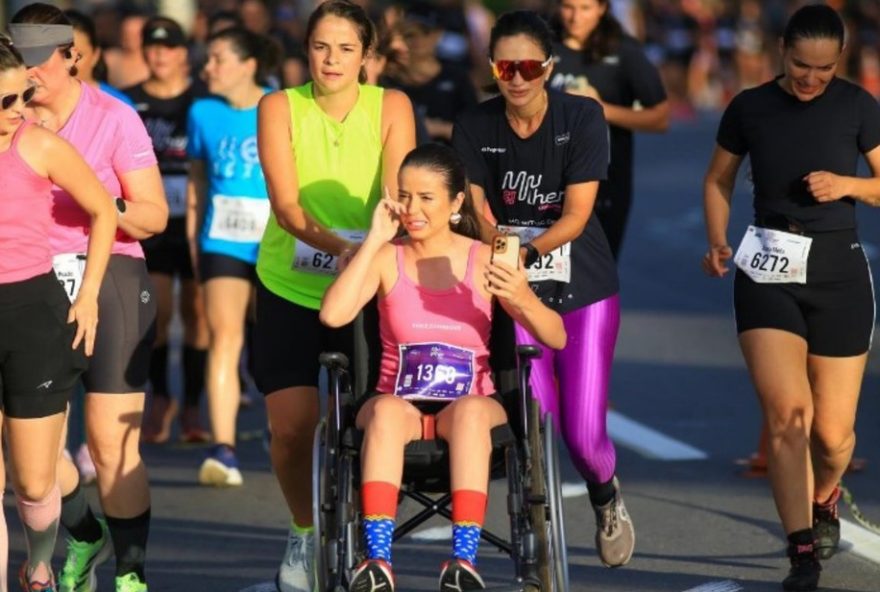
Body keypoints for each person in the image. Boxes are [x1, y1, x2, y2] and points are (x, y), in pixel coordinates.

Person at [320, 143, 566, 590]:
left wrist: (522, 296)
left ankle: (463, 562)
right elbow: (334, 315)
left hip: (471, 402)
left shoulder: (486, 257)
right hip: (398, 401)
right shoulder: (385, 256)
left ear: (456, 203)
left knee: (472, 412)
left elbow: (556, 336)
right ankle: (376, 562)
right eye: (404, 195)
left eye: (426, 198)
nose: (412, 209)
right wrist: (374, 238)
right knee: (388, 411)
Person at [701, 5, 880, 591]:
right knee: (787, 417)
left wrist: (848, 184)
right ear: (782, 51)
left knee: (832, 436)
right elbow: (718, 179)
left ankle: (825, 495)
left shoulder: (857, 105)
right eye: (802, 66)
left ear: (840, 62)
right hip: (767, 270)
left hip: (839, 276)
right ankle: (802, 551)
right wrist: (717, 240)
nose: (811, 79)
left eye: (824, 69)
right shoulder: (750, 106)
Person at [452, 9, 635, 569]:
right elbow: (476, 208)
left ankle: (606, 497)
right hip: (510, 285)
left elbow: (578, 215)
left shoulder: (581, 117)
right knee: (536, 423)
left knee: (581, 434)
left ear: (548, 67)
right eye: (506, 65)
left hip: (582, 285)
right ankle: (537, 534)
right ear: (492, 67)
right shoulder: (475, 126)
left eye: (529, 65)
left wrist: (524, 250)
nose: (517, 76)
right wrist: (496, 241)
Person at [254, 1, 415, 589]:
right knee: (293, 425)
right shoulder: (278, 106)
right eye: (322, 46)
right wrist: (339, 248)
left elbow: (399, 193)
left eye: (347, 48)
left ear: (366, 55)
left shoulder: (390, 105)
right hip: (293, 279)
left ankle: (370, 535)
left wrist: (369, 252)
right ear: (306, 50)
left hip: (369, 280)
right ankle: (302, 529)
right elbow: (287, 205)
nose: (332, 60)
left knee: (375, 421)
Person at [10, 4, 168, 592]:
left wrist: (95, 197)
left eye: (39, 62)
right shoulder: (7, 116)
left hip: (112, 270)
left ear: (72, 56)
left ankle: (131, 574)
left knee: (107, 440)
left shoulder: (112, 117)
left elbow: (154, 215)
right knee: (29, 450)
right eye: (18, 61)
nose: (28, 75)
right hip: (28, 279)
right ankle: (82, 532)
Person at [0, 35, 117, 592]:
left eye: (21, 96)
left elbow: (102, 210)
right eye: (5, 102)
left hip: (34, 315)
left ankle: (43, 559)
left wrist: (89, 292)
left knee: (32, 479)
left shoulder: (39, 146)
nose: (18, 111)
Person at [187, 26, 277, 486]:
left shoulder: (280, 106)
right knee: (225, 337)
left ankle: (278, 426)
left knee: (270, 346)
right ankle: (223, 450)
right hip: (221, 238)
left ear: (248, 64)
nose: (208, 68)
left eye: (218, 59)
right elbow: (198, 181)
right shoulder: (202, 112)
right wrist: (192, 233)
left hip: (275, 243)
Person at [124, 16, 211, 445]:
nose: (159, 55)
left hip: (196, 221)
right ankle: (161, 397)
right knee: (156, 314)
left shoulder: (202, 101)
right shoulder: (130, 103)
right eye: (151, 48)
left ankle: (193, 405)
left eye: (168, 47)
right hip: (151, 222)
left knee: (197, 315)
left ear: (183, 54)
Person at [549, 0, 669, 260]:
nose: (575, 17)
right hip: (545, 179)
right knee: (545, 276)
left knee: (596, 272)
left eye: (585, 8)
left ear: (602, 8)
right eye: (568, 7)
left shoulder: (624, 51)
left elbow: (660, 117)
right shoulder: (542, 44)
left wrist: (600, 109)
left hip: (605, 180)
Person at [63, 9, 135, 107]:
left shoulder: (119, 104)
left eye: (78, 56)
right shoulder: (38, 103)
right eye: (63, 55)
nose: (70, 64)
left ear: (95, 55)